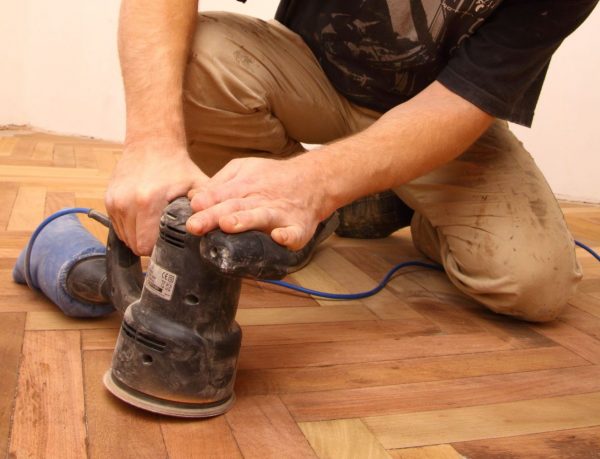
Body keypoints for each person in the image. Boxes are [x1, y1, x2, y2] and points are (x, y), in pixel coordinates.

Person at [106, 0, 597, 322]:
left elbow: (463, 101)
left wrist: (316, 183)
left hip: (431, 113)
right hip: (311, 75)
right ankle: (317, 208)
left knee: (534, 282)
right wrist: (152, 144)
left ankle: (404, 204)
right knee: (202, 55)